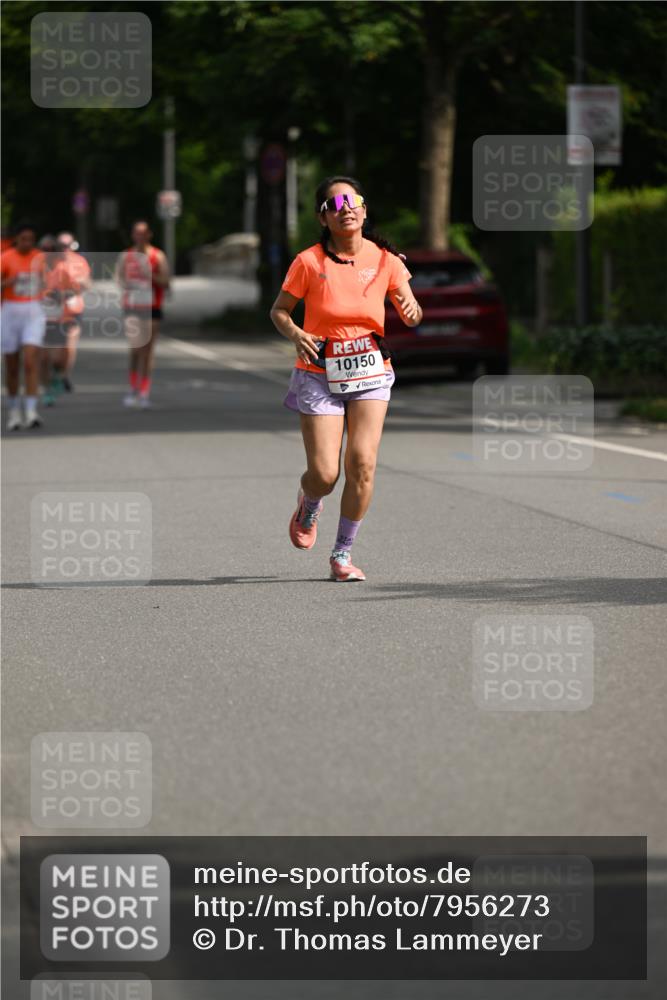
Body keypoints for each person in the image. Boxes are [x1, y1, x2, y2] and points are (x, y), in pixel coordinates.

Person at [270, 175, 422, 582]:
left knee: (363, 464)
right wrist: (298, 334)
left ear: (364, 209)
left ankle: (342, 553)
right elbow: (280, 311)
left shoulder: (386, 259)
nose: (346, 209)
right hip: (319, 372)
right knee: (325, 473)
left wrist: (410, 309)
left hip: (371, 369)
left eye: (352, 201)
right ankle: (309, 503)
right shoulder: (308, 262)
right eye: (335, 205)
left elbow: (413, 310)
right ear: (324, 218)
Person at [115, 221, 170, 408]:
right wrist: (129, 282)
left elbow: (166, 281)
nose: (140, 237)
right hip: (132, 306)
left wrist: (151, 276)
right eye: (136, 233)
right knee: (135, 348)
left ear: (149, 235)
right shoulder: (126, 256)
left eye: (143, 233)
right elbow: (119, 278)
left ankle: (144, 390)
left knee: (147, 350)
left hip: (152, 307)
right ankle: (133, 387)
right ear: (133, 235)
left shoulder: (157, 256)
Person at [1, 222, 46, 429]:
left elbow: (49, 282)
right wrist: (7, 283)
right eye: (24, 238)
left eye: (31, 239)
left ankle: (31, 411)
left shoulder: (40, 257)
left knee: (29, 362)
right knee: (11, 366)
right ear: (16, 239)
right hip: (10, 311)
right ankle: (13, 411)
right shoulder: (6, 258)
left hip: (33, 311)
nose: (28, 243)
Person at [39, 234, 90, 404]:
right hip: (47, 315)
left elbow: (81, 286)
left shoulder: (72, 264)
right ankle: (47, 388)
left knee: (64, 352)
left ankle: (60, 378)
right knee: (45, 357)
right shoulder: (41, 265)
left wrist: (64, 293)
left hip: (69, 313)